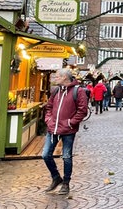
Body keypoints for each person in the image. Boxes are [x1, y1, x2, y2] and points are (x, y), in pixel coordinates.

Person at [42, 68, 89, 196]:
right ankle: (56, 177)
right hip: (53, 129)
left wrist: (70, 122)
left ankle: (66, 183)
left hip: (68, 130)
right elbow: (49, 107)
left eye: (57, 76)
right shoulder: (56, 91)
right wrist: (49, 120)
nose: (55, 78)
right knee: (46, 155)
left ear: (64, 77)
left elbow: (82, 110)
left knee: (67, 157)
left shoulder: (78, 91)